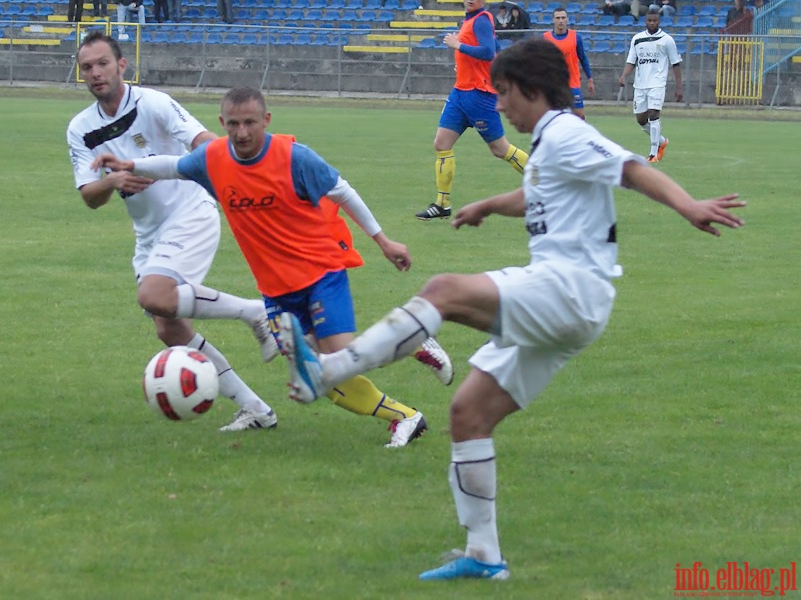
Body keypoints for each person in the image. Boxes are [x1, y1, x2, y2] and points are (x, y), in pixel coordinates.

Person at [280, 37, 745, 581]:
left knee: (444, 291)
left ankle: (332, 370)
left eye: (503, 94)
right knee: (468, 415)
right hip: (566, 299)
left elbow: (630, 169)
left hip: (570, 288)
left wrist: (689, 205)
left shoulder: (567, 130)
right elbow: (536, 194)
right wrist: (486, 207)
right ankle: (484, 557)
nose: (498, 104)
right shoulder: (550, 143)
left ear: (532, 90)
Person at [91, 87, 456, 449]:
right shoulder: (214, 157)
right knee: (316, 376)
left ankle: (414, 340)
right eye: (233, 124)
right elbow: (174, 166)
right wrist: (130, 165)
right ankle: (405, 417)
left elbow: (342, 191)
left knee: (340, 357)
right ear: (222, 123)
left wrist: (384, 241)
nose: (242, 132)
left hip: (319, 273)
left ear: (266, 120)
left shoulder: (294, 157)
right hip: (276, 291)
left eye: (250, 122)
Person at [67, 33, 281, 433]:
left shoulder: (153, 102)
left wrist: (226, 174)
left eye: (102, 64)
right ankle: (256, 409)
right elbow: (89, 197)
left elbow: (206, 143)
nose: (95, 73)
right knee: (169, 327)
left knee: (153, 295)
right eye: (87, 68)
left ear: (122, 65)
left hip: (190, 210)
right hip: (148, 233)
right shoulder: (80, 128)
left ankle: (255, 311)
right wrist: (113, 182)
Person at [415, 0, 529, 221]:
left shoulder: (482, 19)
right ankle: (442, 204)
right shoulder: (470, 20)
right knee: (441, 143)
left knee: (500, 149)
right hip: (461, 92)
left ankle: (546, 182)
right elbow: (494, 47)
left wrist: (458, 46)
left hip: (479, 94)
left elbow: (487, 52)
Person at [618, 7, 683, 162]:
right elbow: (631, 61)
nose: (652, 23)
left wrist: (679, 86)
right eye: (649, 20)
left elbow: (676, 64)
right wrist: (624, 75)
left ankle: (653, 153)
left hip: (657, 83)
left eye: (655, 20)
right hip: (640, 84)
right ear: (645, 21)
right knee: (641, 120)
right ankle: (662, 142)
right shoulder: (637, 39)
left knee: (653, 114)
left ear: (659, 21)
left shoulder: (667, 40)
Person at [543, 7, 594, 120]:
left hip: (572, 83)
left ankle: (581, 136)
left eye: (563, 18)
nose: (560, 20)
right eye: (558, 18)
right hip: (554, 84)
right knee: (554, 117)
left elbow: (583, 59)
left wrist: (590, 78)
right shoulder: (546, 38)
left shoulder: (576, 37)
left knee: (579, 115)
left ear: (567, 19)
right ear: (553, 20)